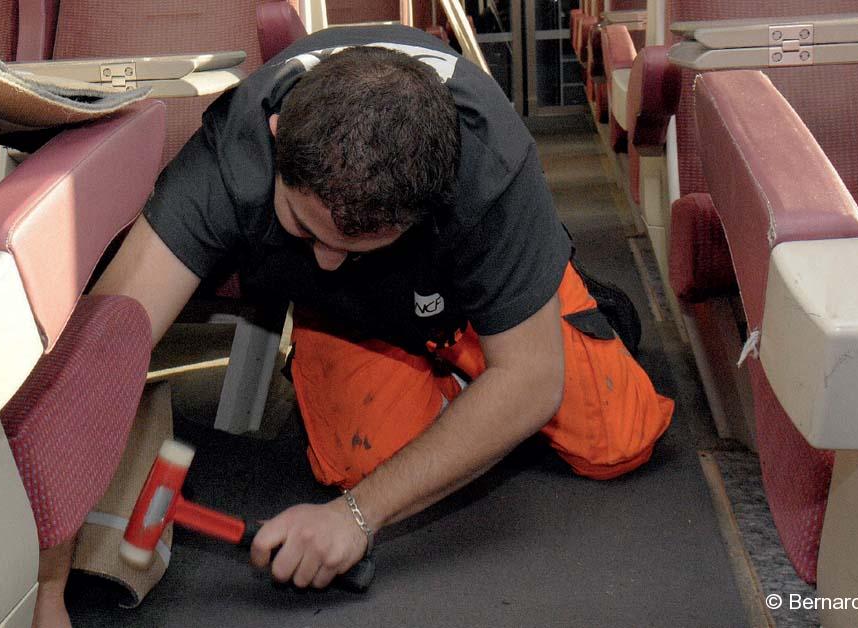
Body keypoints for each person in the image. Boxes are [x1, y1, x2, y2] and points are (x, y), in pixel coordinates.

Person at [94, 24, 672, 598]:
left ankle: (531, 309)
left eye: (353, 246)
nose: (323, 260)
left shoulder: (490, 165)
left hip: (468, 296)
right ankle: (471, 402)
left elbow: (532, 380)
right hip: (352, 315)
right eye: (302, 225)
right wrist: (47, 591)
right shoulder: (231, 155)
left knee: (619, 439)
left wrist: (356, 519)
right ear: (277, 136)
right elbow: (98, 354)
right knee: (357, 466)